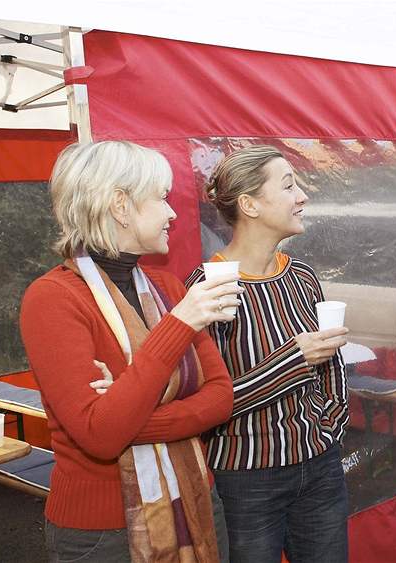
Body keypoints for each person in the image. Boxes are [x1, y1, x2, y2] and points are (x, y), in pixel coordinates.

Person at [19, 141, 241, 562]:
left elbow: (220, 399)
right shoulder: (51, 299)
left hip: (195, 501)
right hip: (104, 534)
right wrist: (177, 326)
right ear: (120, 205)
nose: (172, 212)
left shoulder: (170, 288)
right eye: (160, 198)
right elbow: (101, 436)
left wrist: (124, 410)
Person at [186, 145, 350, 563]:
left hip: (320, 466)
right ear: (249, 205)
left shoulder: (302, 276)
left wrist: (330, 429)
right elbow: (207, 402)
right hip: (244, 479)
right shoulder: (207, 287)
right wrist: (293, 360)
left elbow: (330, 366)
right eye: (289, 185)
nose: (303, 197)